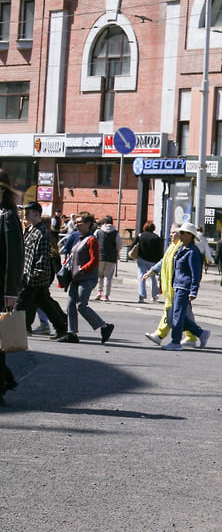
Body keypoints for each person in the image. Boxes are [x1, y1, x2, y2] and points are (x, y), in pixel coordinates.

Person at [60, 212, 114, 344]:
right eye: (76, 222)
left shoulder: (91, 240)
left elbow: (94, 260)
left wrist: (82, 269)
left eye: (80, 222)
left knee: (81, 305)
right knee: (70, 305)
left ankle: (104, 326)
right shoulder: (79, 237)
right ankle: (72, 333)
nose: (77, 224)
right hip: (75, 278)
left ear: (88, 224)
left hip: (87, 278)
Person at [15, 202, 68, 339]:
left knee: (21, 305)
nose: (25, 215)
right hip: (30, 275)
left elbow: (43, 257)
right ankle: (61, 328)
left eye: (28, 212)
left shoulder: (41, 232)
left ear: (37, 214)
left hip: (34, 277)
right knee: (44, 303)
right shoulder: (31, 229)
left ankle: (19, 332)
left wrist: (33, 276)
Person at [141, 224, 199, 347]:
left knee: (173, 313)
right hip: (172, 286)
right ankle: (192, 336)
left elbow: (195, 272)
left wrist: (193, 290)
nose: (171, 235)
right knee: (180, 313)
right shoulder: (173, 247)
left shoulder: (184, 248)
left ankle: (162, 335)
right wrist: (151, 271)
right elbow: (164, 261)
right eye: (171, 232)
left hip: (178, 287)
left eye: (174, 233)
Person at [162, 222, 211, 351]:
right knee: (176, 314)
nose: (180, 235)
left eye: (182, 233)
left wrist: (194, 290)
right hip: (177, 285)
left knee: (177, 315)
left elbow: (196, 273)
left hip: (184, 286)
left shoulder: (193, 251)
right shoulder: (181, 248)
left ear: (190, 235)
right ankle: (201, 333)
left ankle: (176, 341)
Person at [0, 170, 22, 403]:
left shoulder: (7, 217)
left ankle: (3, 383)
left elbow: (14, 258)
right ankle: (6, 379)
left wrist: (10, 292)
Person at [135, 222, 164, 303]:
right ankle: (154, 295)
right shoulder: (156, 238)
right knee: (152, 277)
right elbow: (160, 251)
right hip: (152, 260)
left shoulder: (141, 236)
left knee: (141, 276)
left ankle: (142, 295)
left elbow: (133, 245)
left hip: (141, 259)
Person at [92, 215, 119, 301]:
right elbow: (120, 244)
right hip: (111, 257)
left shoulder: (98, 232)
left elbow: (93, 241)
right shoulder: (115, 232)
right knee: (108, 276)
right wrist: (116, 250)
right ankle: (106, 295)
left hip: (99, 256)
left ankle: (99, 291)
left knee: (99, 275)